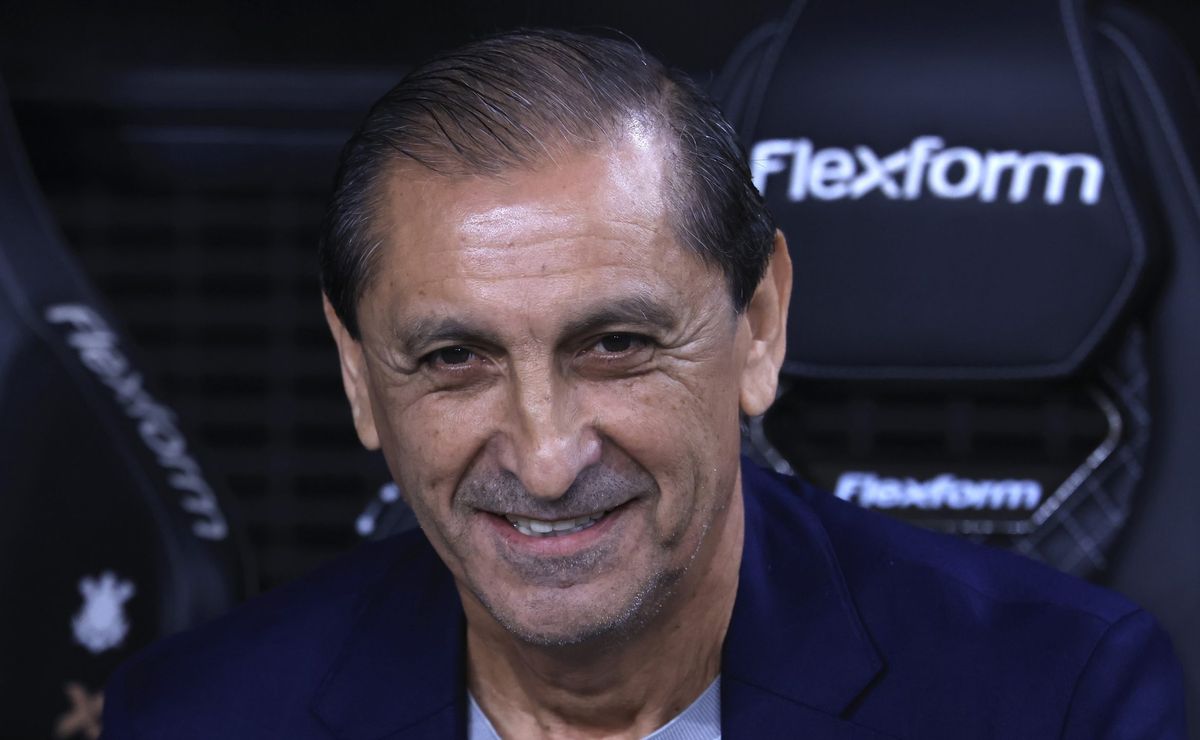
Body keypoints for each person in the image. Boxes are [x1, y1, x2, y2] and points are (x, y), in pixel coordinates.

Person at [99, 29, 1187, 739]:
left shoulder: (1058, 697)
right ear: (356, 375)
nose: (545, 458)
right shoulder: (197, 715)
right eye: (454, 360)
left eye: (615, 344)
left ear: (759, 325)